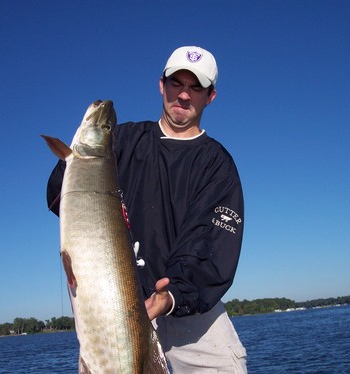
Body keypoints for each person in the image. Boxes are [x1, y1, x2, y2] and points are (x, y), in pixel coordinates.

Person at [47, 46, 247, 373]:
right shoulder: (123, 141)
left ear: (210, 96)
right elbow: (63, 201)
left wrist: (172, 295)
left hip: (190, 313)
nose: (183, 95)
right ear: (161, 85)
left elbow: (211, 244)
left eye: (195, 87)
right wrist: (73, 164)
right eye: (176, 83)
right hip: (112, 309)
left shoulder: (216, 165)